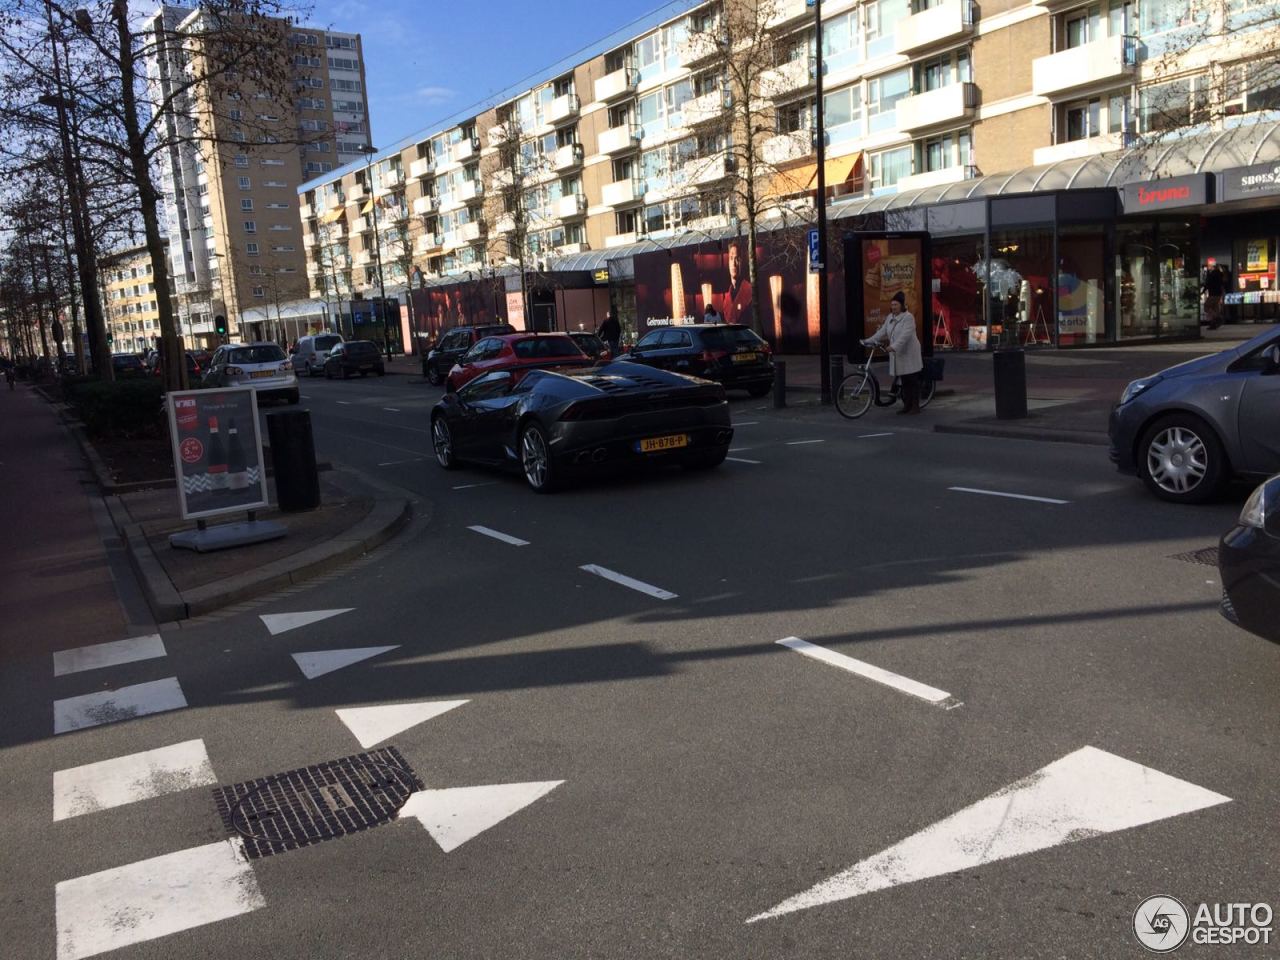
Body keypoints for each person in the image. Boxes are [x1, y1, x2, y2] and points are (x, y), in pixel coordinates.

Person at [863, 290, 923, 415]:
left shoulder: (908, 318)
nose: (893, 307)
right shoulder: (890, 317)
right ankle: (906, 405)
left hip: (909, 353)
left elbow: (905, 336)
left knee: (911, 379)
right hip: (898, 353)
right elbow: (883, 332)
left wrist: (893, 346)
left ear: (902, 306)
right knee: (904, 380)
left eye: (896, 305)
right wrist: (868, 341)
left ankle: (915, 406)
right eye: (892, 304)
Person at [1202, 264, 1224, 330]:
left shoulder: (1211, 275)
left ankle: (1217, 317)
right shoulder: (1220, 275)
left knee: (1206, 306)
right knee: (1215, 308)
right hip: (1218, 294)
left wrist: (1203, 291)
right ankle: (1214, 324)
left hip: (1212, 294)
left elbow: (1208, 284)